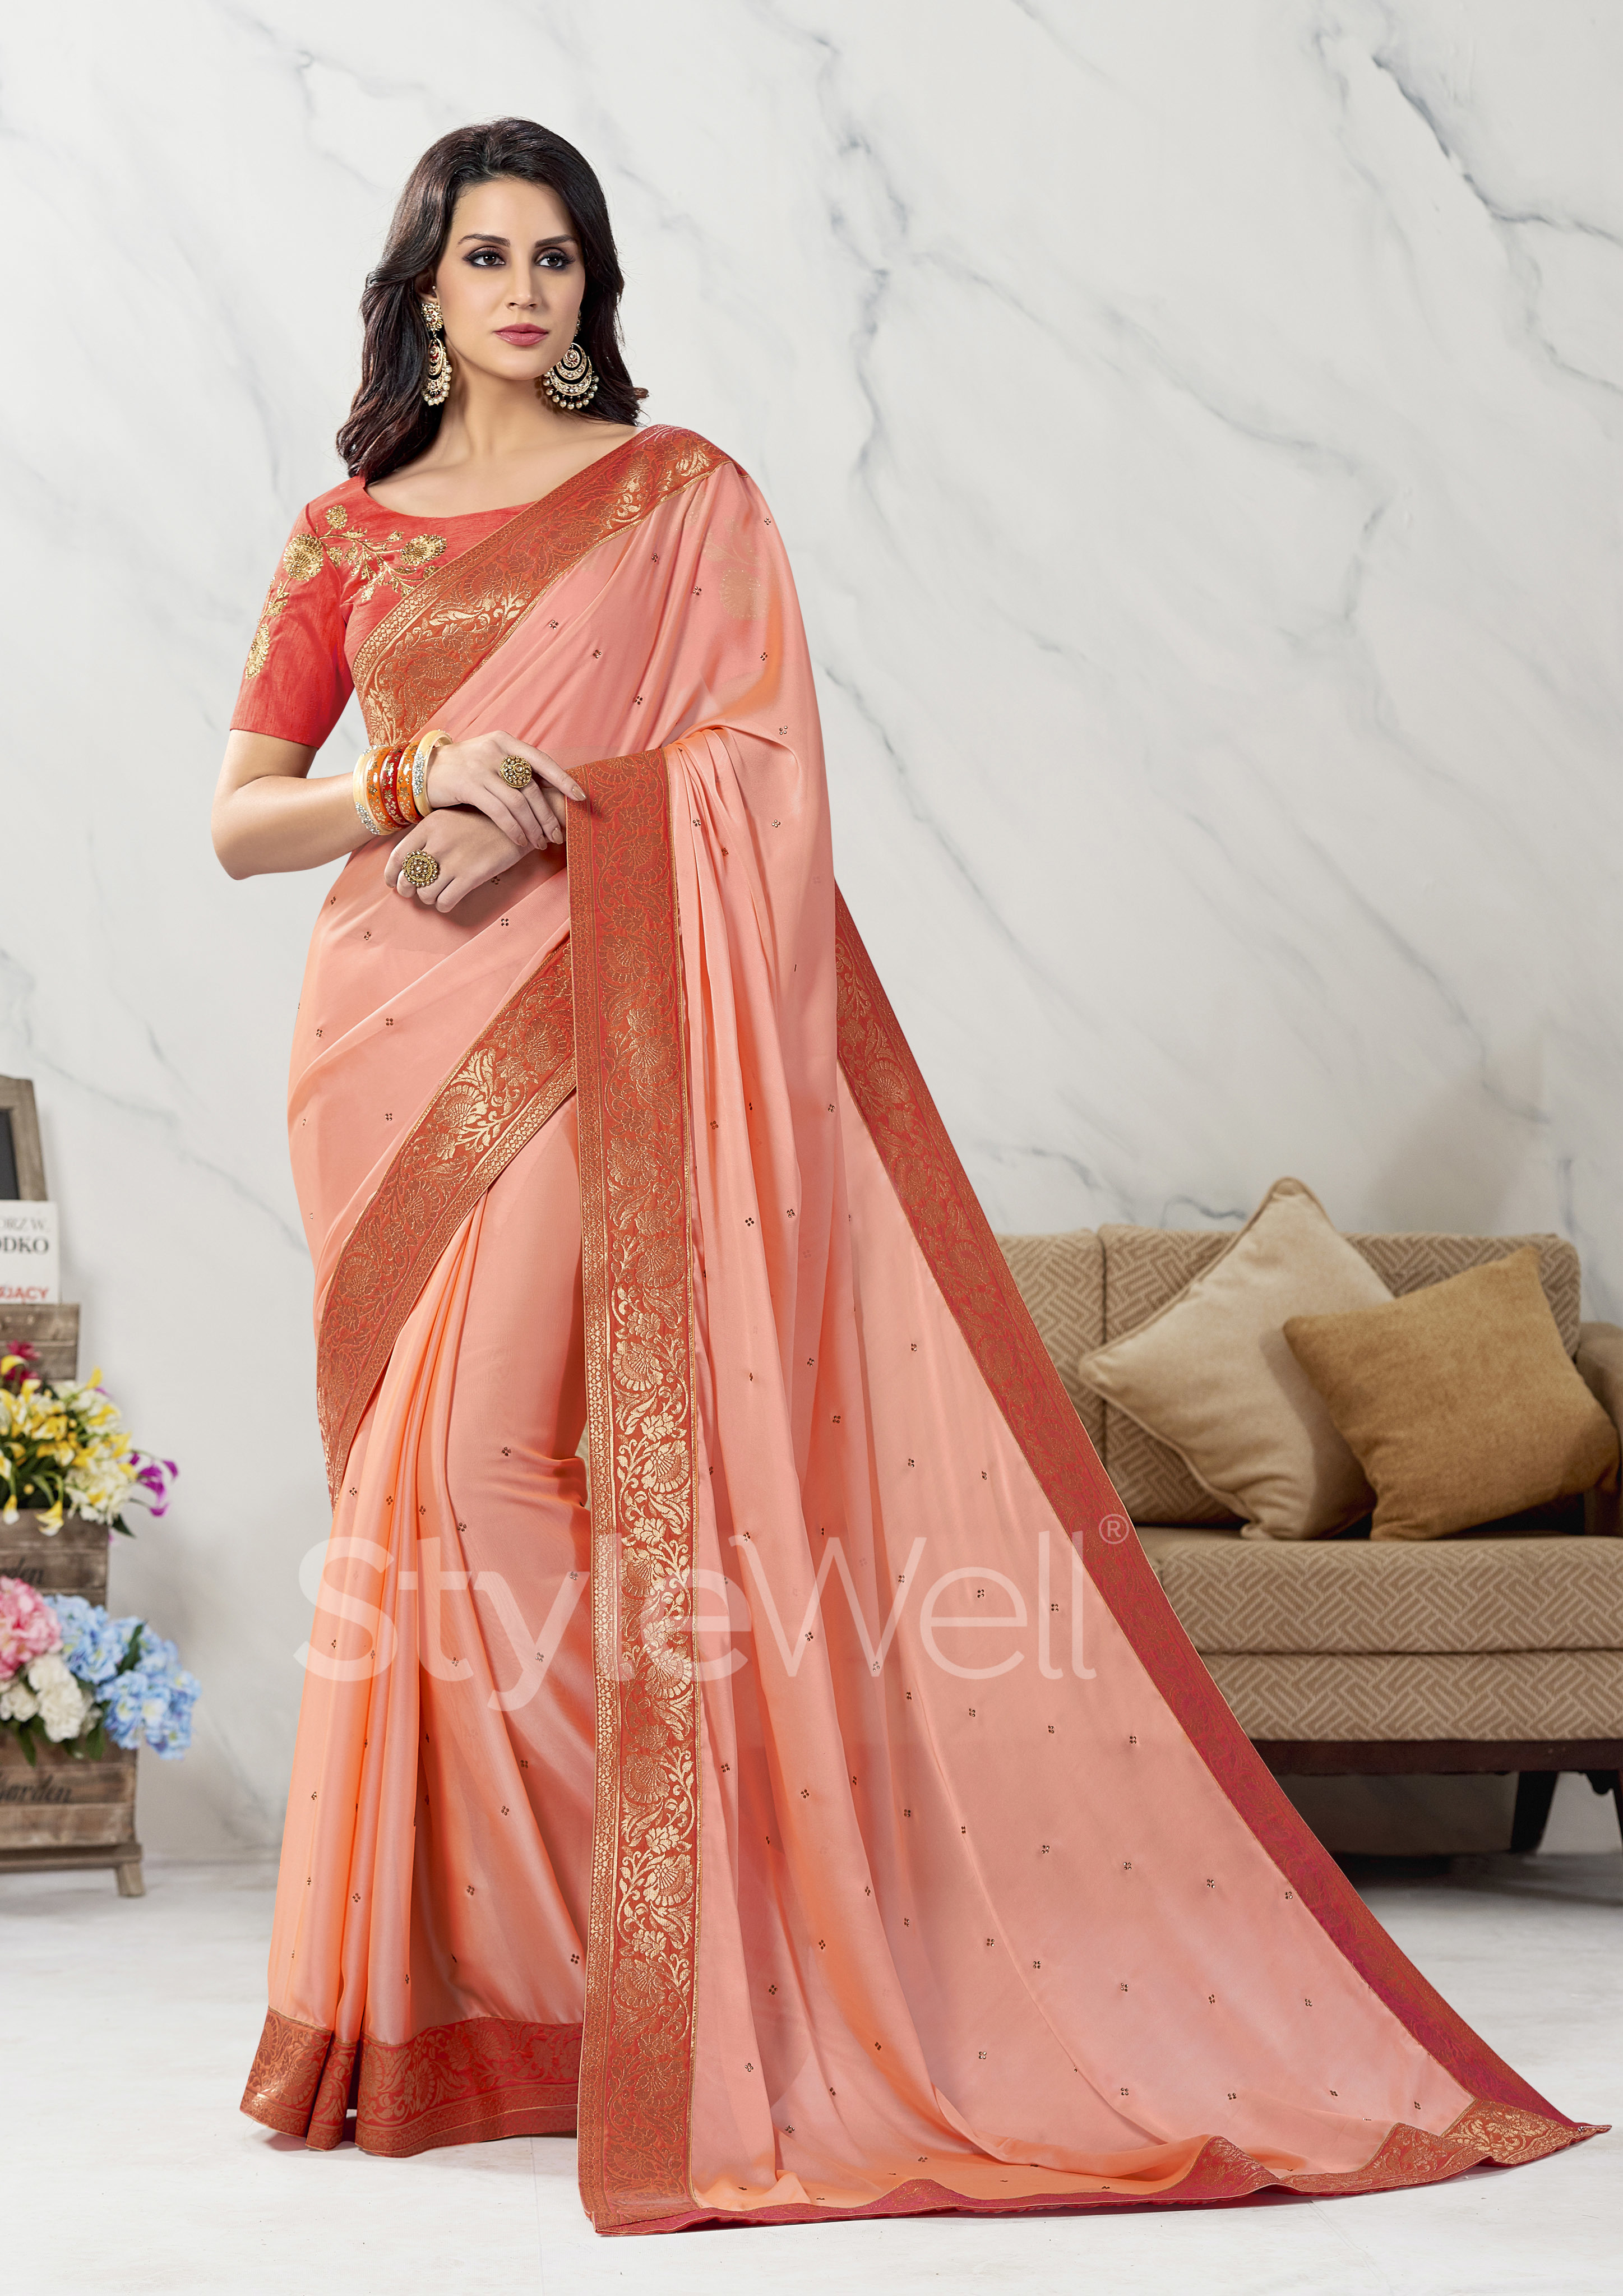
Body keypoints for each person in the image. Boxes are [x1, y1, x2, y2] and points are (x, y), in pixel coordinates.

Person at [215, 118, 1594, 2235]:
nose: (523, 291)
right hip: (378, 1043)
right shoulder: (343, 537)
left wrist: (540, 809)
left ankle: (701, 1934)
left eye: (558, 258)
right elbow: (243, 817)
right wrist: (413, 774)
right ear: (419, 287)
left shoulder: (680, 499)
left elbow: (758, 767)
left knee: (492, 1478)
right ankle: (532, 1990)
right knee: (415, 1496)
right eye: (484, 256)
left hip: (589, 1013)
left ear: (593, 288)